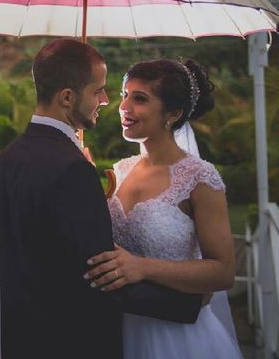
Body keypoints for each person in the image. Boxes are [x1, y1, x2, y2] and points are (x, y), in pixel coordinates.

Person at [0, 39, 203, 359]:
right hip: (74, 341)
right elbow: (101, 277)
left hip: (21, 339)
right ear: (68, 97)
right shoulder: (73, 170)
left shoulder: (7, 158)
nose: (104, 100)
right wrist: (190, 303)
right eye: (97, 90)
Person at [85, 58, 243, 358]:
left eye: (140, 99)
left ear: (173, 113)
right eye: (124, 94)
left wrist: (142, 267)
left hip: (173, 336)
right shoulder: (120, 171)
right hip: (113, 326)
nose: (124, 107)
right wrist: (82, 181)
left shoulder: (200, 178)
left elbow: (223, 272)